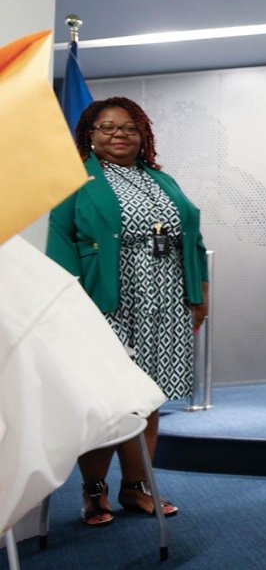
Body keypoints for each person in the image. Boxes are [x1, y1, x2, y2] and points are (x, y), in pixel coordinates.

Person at [48, 96, 209, 526]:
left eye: (129, 128)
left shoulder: (163, 180)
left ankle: (136, 487)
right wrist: (71, 310)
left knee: (148, 397)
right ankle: (93, 491)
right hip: (107, 305)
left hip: (167, 302)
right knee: (106, 401)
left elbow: (190, 239)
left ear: (143, 137)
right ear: (89, 136)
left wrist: (200, 293)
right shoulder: (74, 180)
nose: (119, 134)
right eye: (107, 127)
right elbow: (60, 245)